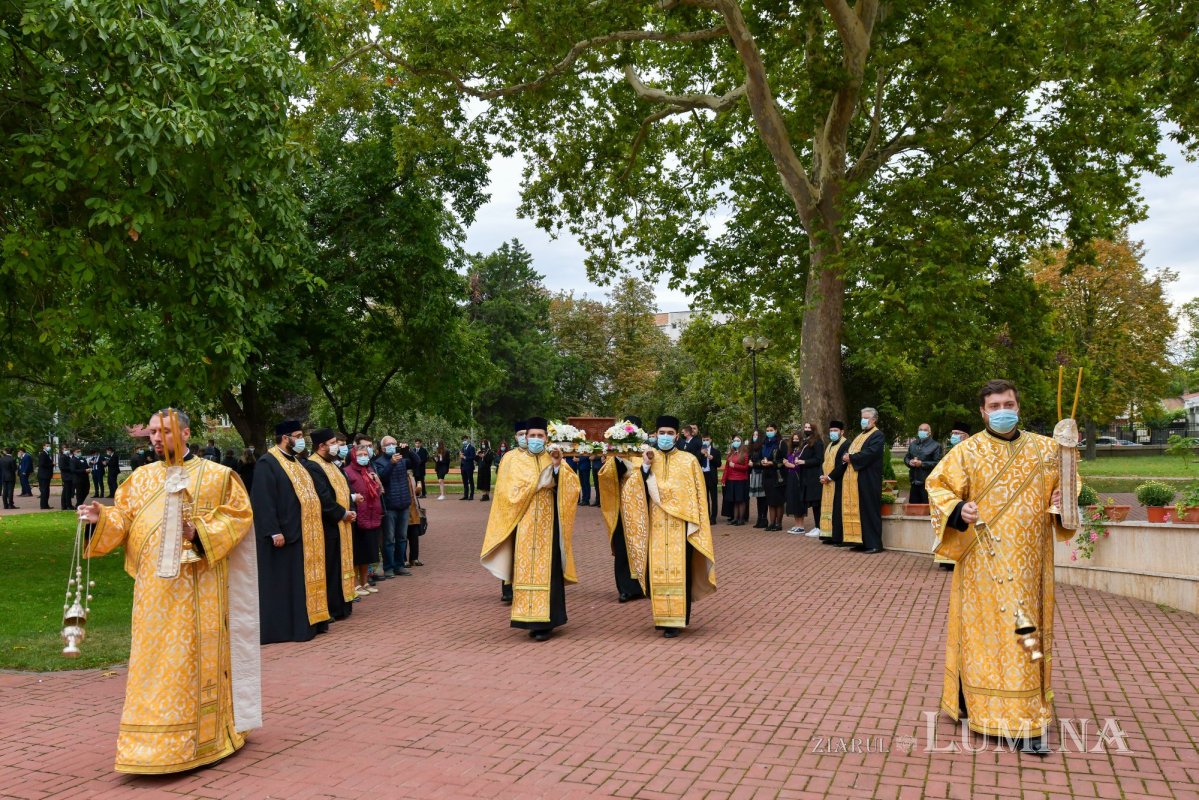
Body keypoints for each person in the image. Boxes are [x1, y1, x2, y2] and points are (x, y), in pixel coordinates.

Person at [77, 408, 259, 774]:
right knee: (152, 665)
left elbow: (239, 516)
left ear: (186, 433)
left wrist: (200, 532)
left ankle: (206, 738)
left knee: (192, 662)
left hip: (200, 591)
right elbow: (123, 520)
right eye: (153, 433)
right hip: (153, 595)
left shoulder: (218, 476)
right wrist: (102, 518)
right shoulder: (141, 479)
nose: (157, 439)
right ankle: (149, 744)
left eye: (165, 431)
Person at [926, 379, 1072, 756]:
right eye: (994, 406)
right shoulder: (966, 452)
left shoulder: (1047, 450)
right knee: (984, 638)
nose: (1002, 411)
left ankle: (1023, 715)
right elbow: (937, 486)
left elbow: (1068, 491)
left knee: (1024, 636)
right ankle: (984, 707)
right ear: (983, 412)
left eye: (1008, 404)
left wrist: (1064, 498)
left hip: (1031, 566)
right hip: (983, 565)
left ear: (1018, 407)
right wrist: (959, 509)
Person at [481, 416, 581, 641]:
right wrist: (537, 484)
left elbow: (573, 488)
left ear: (546, 438)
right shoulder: (513, 460)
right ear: (526, 437)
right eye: (532, 435)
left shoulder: (553, 456)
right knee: (524, 569)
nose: (536, 439)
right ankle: (528, 619)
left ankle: (548, 622)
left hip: (549, 524)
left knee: (549, 571)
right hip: (523, 524)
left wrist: (557, 467)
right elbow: (506, 492)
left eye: (540, 436)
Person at [619, 415, 717, 637]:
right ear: (656, 434)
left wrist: (695, 522)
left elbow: (698, 495)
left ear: (676, 435)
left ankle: (678, 620)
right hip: (655, 525)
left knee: (680, 572)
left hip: (680, 526)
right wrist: (645, 466)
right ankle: (662, 618)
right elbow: (632, 491)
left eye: (669, 433)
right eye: (661, 433)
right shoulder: (646, 458)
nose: (665, 437)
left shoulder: (688, 460)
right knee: (658, 572)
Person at [252, 421, 330, 644]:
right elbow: (263, 500)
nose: (301, 439)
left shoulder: (296, 461)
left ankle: (311, 622)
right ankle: (288, 629)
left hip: (304, 532)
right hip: (284, 535)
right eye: (298, 435)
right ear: (285, 438)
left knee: (300, 582)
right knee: (286, 584)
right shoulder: (267, 462)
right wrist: (273, 531)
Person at [303, 429, 358, 621]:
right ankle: (332, 608)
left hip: (343, 523)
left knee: (341, 564)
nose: (337, 446)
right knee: (332, 567)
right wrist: (342, 513)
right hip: (329, 525)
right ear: (321, 446)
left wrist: (351, 509)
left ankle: (343, 604)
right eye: (333, 443)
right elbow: (323, 497)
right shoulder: (313, 466)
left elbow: (346, 490)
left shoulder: (332, 464)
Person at [596, 415, 649, 603]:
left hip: (643, 508)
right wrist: (618, 457)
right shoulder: (615, 454)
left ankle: (645, 584)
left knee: (644, 546)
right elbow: (606, 476)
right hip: (621, 508)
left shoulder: (646, 452)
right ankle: (626, 588)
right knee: (622, 548)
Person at [841, 408, 886, 553]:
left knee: (869, 510)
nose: (863, 420)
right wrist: (846, 456)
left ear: (874, 420)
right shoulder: (860, 435)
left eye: (866, 418)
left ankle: (874, 544)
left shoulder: (877, 435)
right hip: (856, 479)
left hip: (869, 478)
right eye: (862, 417)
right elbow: (852, 451)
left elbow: (870, 453)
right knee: (859, 510)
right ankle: (860, 541)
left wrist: (851, 458)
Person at [345, 443, 383, 594]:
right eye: (359, 455)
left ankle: (365, 581)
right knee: (357, 553)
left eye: (365, 454)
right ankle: (355, 584)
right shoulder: (347, 472)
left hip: (372, 516)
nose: (363, 457)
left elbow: (379, 491)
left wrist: (376, 480)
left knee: (368, 552)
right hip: (357, 517)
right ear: (353, 456)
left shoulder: (370, 470)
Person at [373, 436, 412, 577]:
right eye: (388, 444)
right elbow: (382, 478)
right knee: (389, 539)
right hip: (390, 505)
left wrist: (409, 451)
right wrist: (391, 463)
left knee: (402, 537)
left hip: (404, 504)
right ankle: (389, 567)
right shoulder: (378, 462)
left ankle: (399, 565)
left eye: (394, 444)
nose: (392, 446)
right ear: (383, 448)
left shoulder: (402, 459)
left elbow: (417, 462)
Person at [787, 423, 825, 536]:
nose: (807, 429)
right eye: (805, 428)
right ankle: (817, 526)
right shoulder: (806, 442)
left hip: (814, 477)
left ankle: (820, 527)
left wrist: (804, 462)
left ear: (814, 429)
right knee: (813, 503)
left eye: (809, 428)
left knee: (817, 503)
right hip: (806, 477)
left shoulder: (818, 442)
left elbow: (819, 459)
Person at [818, 421, 852, 546]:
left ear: (842, 432)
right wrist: (822, 475)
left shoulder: (846, 444)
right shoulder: (830, 445)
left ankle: (839, 537)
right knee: (828, 509)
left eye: (835, 430)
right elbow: (824, 462)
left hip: (839, 482)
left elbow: (842, 465)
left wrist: (830, 477)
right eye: (831, 430)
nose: (832, 433)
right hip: (827, 482)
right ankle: (829, 535)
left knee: (838, 509)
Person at [905, 422, 943, 505]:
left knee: (927, 508)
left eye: (925, 430)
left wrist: (922, 464)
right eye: (920, 430)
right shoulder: (913, 444)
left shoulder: (936, 445)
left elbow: (938, 463)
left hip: (928, 482)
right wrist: (909, 462)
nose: (922, 431)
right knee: (913, 507)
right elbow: (907, 457)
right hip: (914, 481)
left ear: (929, 432)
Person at [758, 423, 787, 531]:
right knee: (770, 501)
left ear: (776, 430)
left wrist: (772, 463)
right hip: (767, 475)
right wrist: (761, 462)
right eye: (767, 430)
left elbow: (784, 460)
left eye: (771, 430)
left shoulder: (781, 443)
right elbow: (760, 457)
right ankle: (772, 523)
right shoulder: (764, 444)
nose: (769, 432)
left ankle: (778, 524)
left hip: (778, 476)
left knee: (778, 501)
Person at [721, 435, 749, 525]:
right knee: (734, 500)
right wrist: (724, 479)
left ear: (741, 442)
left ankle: (741, 519)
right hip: (731, 479)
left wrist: (735, 466)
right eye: (734, 441)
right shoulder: (731, 454)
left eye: (737, 440)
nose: (735, 442)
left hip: (740, 480)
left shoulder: (744, 454)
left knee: (740, 500)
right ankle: (735, 518)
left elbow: (746, 467)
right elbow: (726, 468)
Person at [699, 432, 721, 524]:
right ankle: (706, 515)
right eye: (704, 440)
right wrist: (701, 454)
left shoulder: (716, 452)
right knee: (705, 497)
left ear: (710, 440)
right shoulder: (699, 451)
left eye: (707, 440)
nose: (705, 441)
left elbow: (719, 464)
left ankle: (713, 517)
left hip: (711, 476)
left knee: (714, 498)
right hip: (703, 475)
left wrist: (712, 458)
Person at [748, 430, 766, 527]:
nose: (754, 436)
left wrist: (754, 464)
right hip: (755, 473)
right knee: (758, 498)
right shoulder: (752, 448)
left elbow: (763, 461)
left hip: (761, 473)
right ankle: (759, 519)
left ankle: (764, 518)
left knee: (763, 497)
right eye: (753, 435)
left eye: (757, 435)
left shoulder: (762, 447)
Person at [459, 435, 477, 500]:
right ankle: (465, 495)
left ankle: (471, 495)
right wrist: (461, 456)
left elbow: (473, 457)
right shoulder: (463, 448)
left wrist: (464, 457)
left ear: (468, 440)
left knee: (470, 481)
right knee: (465, 481)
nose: (464, 441)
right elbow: (462, 456)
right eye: (463, 440)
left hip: (469, 466)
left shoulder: (471, 448)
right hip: (463, 466)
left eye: (465, 440)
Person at [37, 443, 53, 509]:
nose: (48, 447)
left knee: (46, 490)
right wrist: (51, 465)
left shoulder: (47, 454)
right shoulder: (43, 454)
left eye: (49, 446)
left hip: (46, 475)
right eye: (47, 446)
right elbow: (42, 464)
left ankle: (46, 504)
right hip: (43, 475)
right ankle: (43, 505)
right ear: (44, 447)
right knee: (44, 490)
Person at [58, 445, 74, 510]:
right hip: (66, 476)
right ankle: (68, 505)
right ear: (62, 450)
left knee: (66, 491)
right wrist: (71, 468)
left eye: (67, 449)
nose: (67, 451)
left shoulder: (67, 457)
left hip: (68, 476)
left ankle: (64, 505)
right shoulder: (63, 457)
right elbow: (62, 467)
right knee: (67, 491)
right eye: (65, 450)